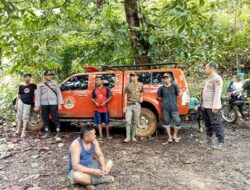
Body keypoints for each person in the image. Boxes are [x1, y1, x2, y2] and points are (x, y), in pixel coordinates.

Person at [68, 125, 114, 189]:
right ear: (86, 137)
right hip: (79, 170)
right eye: (93, 135)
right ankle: (100, 180)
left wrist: (103, 166)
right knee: (77, 176)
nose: (95, 136)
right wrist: (93, 171)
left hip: (91, 165)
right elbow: (75, 167)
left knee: (109, 163)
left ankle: (88, 183)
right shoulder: (76, 145)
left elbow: (100, 155)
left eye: (95, 133)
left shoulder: (94, 141)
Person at [34, 70, 64, 142]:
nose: (50, 76)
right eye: (48, 75)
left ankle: (58, 132)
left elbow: (59, 93)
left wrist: (60, 103)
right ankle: (47, 132)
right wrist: (37, 105)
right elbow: (38, 96)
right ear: (44, 76)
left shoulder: (55, 83)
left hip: (53, 103)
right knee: (45, 119)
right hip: (44, 104)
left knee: (55, 118)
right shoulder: (40, 85)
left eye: (51, 75)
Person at [202, 62, 224, 150]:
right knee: (207, 123)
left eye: (206, 68)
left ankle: (220, 142)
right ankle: (209, 139)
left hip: (213, 106)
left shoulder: (217, 79)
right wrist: (202, 104)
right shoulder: (209, 79)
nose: (205, 69)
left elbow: (217, 93)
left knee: (216, 124)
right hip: (206, 105)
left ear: (212, 68)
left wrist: (215, 106)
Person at [157, 73, 181, 143]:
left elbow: (178, 95)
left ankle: (175, 135)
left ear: (170, 79)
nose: (166, 79)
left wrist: (173, 99)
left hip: (174, 107)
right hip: (165, 108)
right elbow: (158, 97)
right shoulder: (161, 88)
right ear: (163, 79)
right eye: (165, 78)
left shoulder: (174, 86)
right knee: (166, 122)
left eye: (167, 78)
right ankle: (170, 137)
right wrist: (163, 100)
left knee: (177, 122)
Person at [124, 72, 143, 143]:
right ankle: (128, 137)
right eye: (132, 76)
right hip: (129, 105)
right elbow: (125, 96)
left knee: (135, 121)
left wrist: (142, 97)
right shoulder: (128, 86)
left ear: (137, 77)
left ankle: (133, 137)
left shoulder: (141, 84)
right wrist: (125, 106)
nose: (133, 78)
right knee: (128, 121)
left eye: (134, 76)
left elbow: (142, 92)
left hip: (137, 105)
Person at [15, 74, 37, 139]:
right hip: (21, 101)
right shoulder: (21, 86)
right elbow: (18, 95)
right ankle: (18, 130)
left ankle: (23, 132)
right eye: (26, 77)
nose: (28, 78)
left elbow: (38, 87)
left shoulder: (33, 85)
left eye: (29, 77)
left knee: (25, 117)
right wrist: (16, 103)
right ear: (24, 78)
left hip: (28, 103)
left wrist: (33, 82)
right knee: (19, 115)